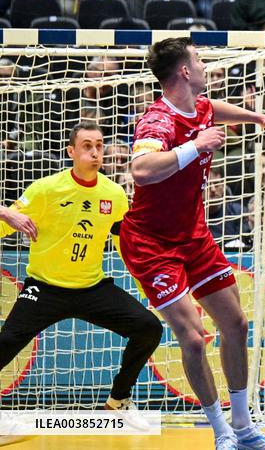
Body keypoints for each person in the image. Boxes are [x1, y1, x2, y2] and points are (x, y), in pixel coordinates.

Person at [119, 37, 265, 449]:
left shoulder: (200, 106)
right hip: (150, 243)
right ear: (183, 71)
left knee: (236, 324)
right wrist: (195, 146)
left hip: (193, 235)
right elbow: (142, 170)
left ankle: (246, 428)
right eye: (197, 59)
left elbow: (214, 110)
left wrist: (260, 118)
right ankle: (221, 433)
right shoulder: (157, 122)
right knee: (193, 339)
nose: (203, 65)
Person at [0, 122, 161, 427]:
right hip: (45, 288)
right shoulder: (46, 189)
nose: (95, 152)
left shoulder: (113, 194)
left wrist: (147, 288)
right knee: (6, 342)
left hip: (91, 288)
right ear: (71, 151)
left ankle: (118, 402)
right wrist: (4, 212)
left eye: (99, 145)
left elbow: (125, 245)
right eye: (87, 146)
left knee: (148, 327)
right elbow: (4, 225)